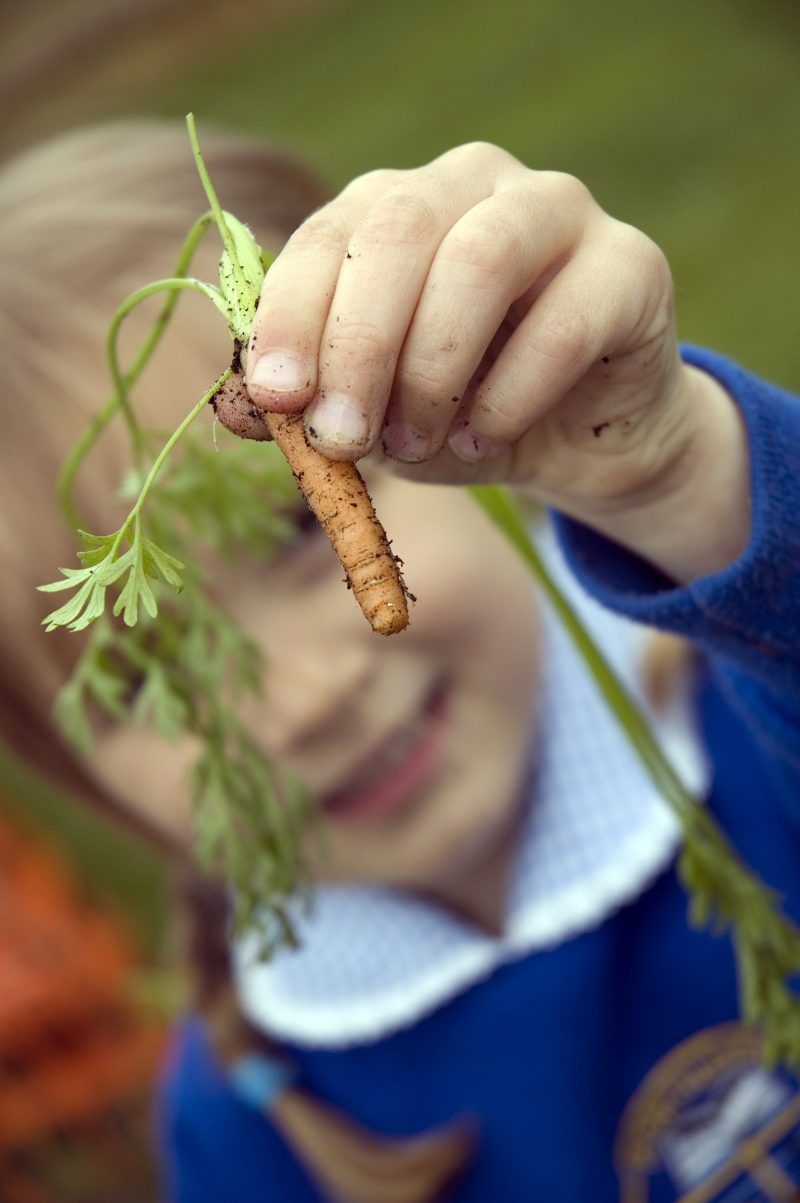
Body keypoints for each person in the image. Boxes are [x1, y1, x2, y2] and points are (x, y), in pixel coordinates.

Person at [1, 124, 798, 1203]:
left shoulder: (756, 691)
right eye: (142, 668)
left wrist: (681, 478)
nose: (308, 697)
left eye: (300, 527)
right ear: (75, 777)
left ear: (461, 399)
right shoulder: (250, 1133)